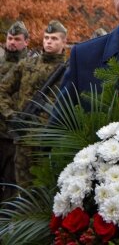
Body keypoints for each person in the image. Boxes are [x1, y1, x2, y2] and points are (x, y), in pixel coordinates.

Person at [0, 20, 69, 191]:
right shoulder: (27, 65)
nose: (49, 41)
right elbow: (2, 90)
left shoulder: (69, 70)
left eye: (54, 38)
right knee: (21, 192)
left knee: (47, 192)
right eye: (46, 37)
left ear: (64, 42)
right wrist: (11, 115)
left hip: (50, 141)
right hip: (23, 140)